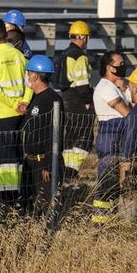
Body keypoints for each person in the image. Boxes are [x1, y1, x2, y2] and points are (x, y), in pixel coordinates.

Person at [0, 17, 30, 207]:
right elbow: (29, 82)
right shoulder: (18, 55)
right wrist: (24, 102)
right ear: (5, 33)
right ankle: (20, 194)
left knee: (5, 159)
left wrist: (14, 104)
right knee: (18, 154)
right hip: (21, 114)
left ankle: (8, 197)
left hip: (4, 114)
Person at [20, 55, 63, 216]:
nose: (27, 77)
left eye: (28, 73)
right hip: (30, 161)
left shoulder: (52, 99)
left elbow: (55, 133)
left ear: (36, 76)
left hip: (43, 162)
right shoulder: (35, 98)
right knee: (27, 205)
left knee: (46, 207)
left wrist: (48, 164)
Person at [91, 50, 131, 224]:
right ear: (109, 67)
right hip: (110, 136)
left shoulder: (116, 87)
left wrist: (125, 89)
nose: (123, 67)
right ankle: (100, 222)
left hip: (118, 136)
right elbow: (126, 112)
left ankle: (112, 219)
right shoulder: (105, 88)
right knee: (106, 181)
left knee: (115, 183)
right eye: (119, 64)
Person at [53, 20, 94, 182]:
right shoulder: (79, 56)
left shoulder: (65, 54)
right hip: (78, 100)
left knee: (70, 135)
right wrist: (88, 100)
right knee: (85, 136)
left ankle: (66, 169)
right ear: (83, 37)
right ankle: (72, 169)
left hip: (66, 98)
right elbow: (82, 82)